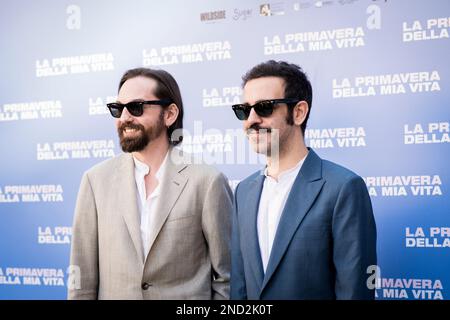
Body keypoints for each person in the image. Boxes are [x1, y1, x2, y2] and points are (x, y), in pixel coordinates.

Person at [68, 67, 232, 299]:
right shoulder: (95, 182)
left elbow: (228, 278)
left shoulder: (207, 182)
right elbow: (81, 280)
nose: (125, 117)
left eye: (136, 107)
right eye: (118, 109)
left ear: (170, 114)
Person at [230, 60, 377, 299]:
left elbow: (355, 290)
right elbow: (239, 286)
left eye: (265, 107)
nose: (251, 120)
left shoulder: (343, 188)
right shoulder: (243, 192)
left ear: (298, 112)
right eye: (244, 110)